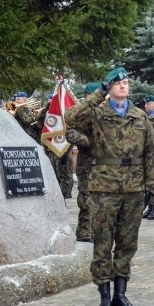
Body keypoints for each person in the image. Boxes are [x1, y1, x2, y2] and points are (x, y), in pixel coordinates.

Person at [65, 67, 154, 306]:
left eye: (126, 82)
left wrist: (153, 188)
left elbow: (151, 154)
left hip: (133, 189)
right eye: (117, 83)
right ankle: (105, 298)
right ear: (109, 87)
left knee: (127, 244)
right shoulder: (97, 113)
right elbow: (71, 118)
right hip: (103, 188)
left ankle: (120, 296)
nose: (123, 86)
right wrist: (98, 95)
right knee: (103, 244)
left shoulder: (140, 117)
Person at [67, 82, 101, 243]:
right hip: (86, 165)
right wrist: (91, 141)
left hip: (102, 164)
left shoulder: (104, 112)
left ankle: (96, 232)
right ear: (88, 95)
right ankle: (84, 233)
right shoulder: (79, 113)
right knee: (86, 199)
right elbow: (70, 134)